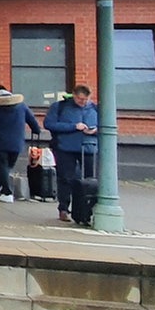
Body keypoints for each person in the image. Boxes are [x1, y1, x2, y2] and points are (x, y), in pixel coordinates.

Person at [42, 85, 100, 222]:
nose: (83, 102)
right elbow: (49, 124)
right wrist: (73, 127)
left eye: (86, 100)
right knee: (65, 178)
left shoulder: (95, 109)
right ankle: (63, 208)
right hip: (65, 148)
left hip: (88, 148)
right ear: (73, 95)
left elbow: (107, 125)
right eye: (80, 99)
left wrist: (95, 130)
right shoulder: (60, 107)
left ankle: (85, 211)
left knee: (89, 181)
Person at [0, 84, 41, 203]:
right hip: (17, 143)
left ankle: (6, 192)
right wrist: (36, 130)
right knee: (7, 166)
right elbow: (33, 122)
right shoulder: (21, 106)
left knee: (3, 166)